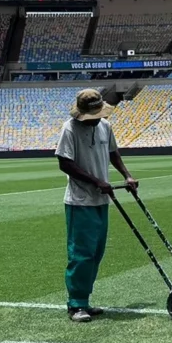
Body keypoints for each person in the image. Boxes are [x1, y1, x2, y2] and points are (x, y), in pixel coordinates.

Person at [55, 89, 138, 322]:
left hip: (101, 200)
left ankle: (85, 300)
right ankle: (76, 304)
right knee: (81, 253)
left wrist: (127, 176)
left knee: (96, 252)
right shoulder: (69, 128)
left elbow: (113, 153)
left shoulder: (105, 126)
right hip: (80, 201)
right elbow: (64, 163)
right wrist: (96, 182)